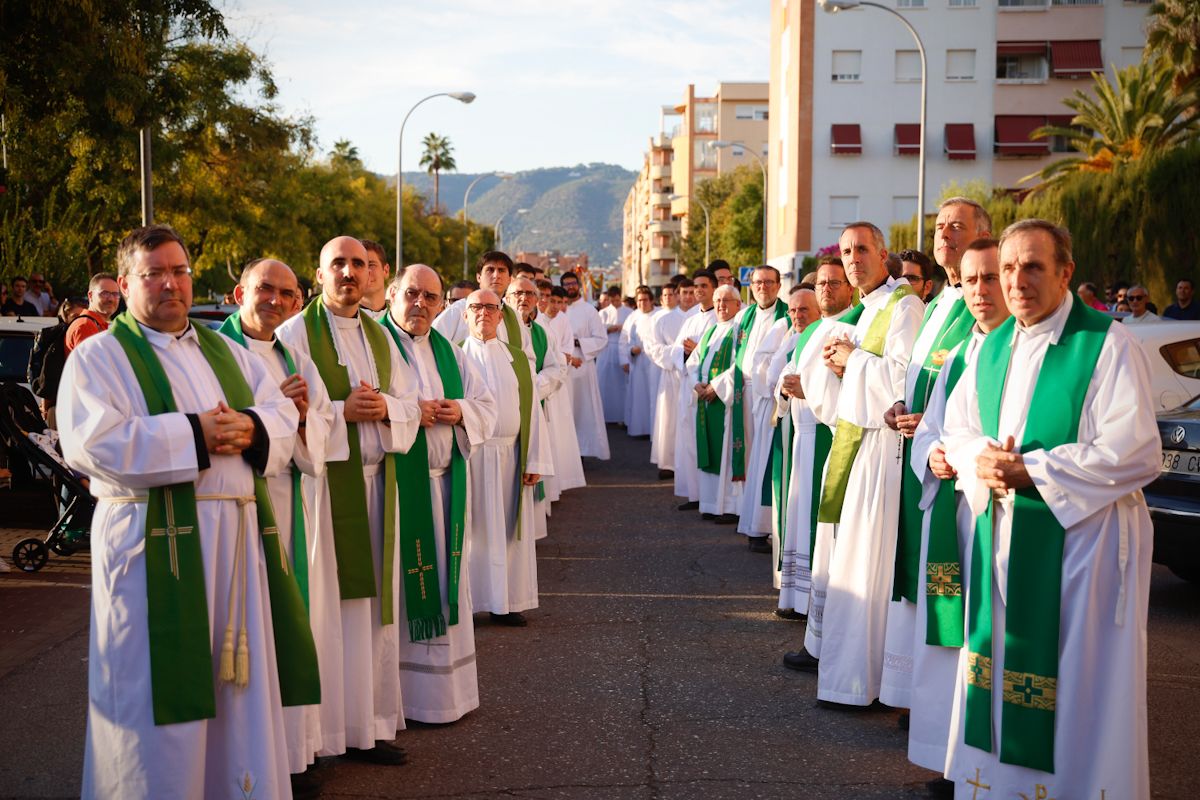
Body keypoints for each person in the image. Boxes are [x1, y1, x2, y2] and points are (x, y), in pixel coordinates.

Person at [58, 224, 312, 799]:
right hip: (152, 550)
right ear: (125, 283)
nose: (171, 284)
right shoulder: (100, 357)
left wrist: (252, 427)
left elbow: (280, 411)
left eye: (180, 271)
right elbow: (91, 443)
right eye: (154, 274)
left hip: (235, 548)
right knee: (149, 691)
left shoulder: (226, 351)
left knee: (234, 692)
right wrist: (196, 434)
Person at [940, 219, 1159, 799]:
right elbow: (956, 429)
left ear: (1066, 273)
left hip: (1083, 552)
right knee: (1000, 661)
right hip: (1000, 539)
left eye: (1033, 266)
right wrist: (980, 459)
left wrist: (1032, 471)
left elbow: (1135, 449)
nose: (1017, 281)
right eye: (1009, 267)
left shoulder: (1106, 344)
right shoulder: (989, 349)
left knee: (1079, 684)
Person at [276, 235, 420, 765]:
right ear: (319, 275)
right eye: (338, 263)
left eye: (359, 263)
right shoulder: (293, 334)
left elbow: (409, 403)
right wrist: (343, 411)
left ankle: (370, 727)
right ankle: (319, 737)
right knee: (325, 617)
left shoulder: (382, 337)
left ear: (372, 273)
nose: (349, 272)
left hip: (378, 488)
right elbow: (283, 411)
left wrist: (385, 408)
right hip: (322, 494)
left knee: (374, 616)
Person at [219, 257, 338, 794]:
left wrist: (305, 412)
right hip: (231, 508)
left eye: (287, 294)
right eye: (264, 288)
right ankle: (241, 760)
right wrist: (272, 413)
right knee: (240, 627)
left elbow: (323, 433)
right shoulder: (212, 351)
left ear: (296, 303)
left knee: (285, 624)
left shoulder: (298, 360)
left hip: (286, 504)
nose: (275, 300)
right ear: (239, 292)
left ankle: (290, 754)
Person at [896, 238, 1009, 792]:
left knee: (988, 647)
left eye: (991, 278)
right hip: (953, 513)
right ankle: (951, 759)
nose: (979, 291)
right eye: (970, 281)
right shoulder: (962, 353)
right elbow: (934, 425)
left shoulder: (1020, 351)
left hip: (1000, 522)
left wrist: (956, 454)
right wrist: (933, 452)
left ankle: (983, 768)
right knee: (953, 647)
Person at [799, 221, 923, 704]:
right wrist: (835, 368)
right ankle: (846, 676)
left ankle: (863, 681)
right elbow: (840, 388)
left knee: (866, 564)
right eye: (847, 251)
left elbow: (902, 381)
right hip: (854, 443)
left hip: (881, 449)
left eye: (862, 250)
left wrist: (853, 362)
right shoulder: (865, 309)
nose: (853, 259)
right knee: (850, 562)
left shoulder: (904, 305)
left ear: (883, 253)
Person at [881, 197, 991, 714]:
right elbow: (921, 375)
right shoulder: (940, 303)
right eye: (940, 226)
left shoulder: (981, 306)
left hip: (955, 469)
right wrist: (900, 404)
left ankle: (945, 706)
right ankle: (915, 696)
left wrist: (934, 425)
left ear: (983, 236)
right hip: (922, 456)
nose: (944, 234)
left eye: (957, 226)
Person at [379, 264, 497, 723]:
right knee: (397, 595)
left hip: (445, 488)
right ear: (392, 293)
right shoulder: (375, 344)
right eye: (412, 293)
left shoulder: (450, 351)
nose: (420, 304)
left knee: (445, 590)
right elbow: (363, 398)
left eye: (431, 297)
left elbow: (487, 407)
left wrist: (459, 410)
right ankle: (398, 701)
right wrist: (412, 411)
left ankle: (443, 698)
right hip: (395, 495)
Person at [459, 289, 553, 627]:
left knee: (510, 532)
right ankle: (469, 603)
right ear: (465, 315)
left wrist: (534, 460)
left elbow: (532, 411)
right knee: (472, 532)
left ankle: (508, 602)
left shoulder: (518, 359)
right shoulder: (454, 357)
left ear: (501, 315)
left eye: (490, 307)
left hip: (511, 457)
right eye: (476, 307)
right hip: (470, 455)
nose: (483, 313)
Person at [774, 261, 855, 633]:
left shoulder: (853, 326)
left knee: (819, 522)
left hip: (827, 434)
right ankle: (796, 596)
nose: (826, 288)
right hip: (803, 434)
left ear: (849, 289)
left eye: (834, 283)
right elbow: (789, 368)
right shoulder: (811, 332)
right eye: (822, 282)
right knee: (799, 514)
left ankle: (814, 603)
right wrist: (786, 385)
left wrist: (807, 391)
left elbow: (851, 387)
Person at [733, 266, 791, 547]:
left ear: (778, 286)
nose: (762, 287)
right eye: (757, 282)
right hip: (743, 392)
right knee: (748, 456)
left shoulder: (788, 316)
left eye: (769, 282)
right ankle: (743, 512)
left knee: (762, 459)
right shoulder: (743, 316)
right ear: (750, 285)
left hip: (768, 397)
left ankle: (759, 523)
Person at [521, 278, 586, 500]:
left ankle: (551, 490)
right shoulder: (513, 325)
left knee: (551, 439)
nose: (548, 302)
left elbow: (560, 358)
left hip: (546, 390)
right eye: (544, 297)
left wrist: (539, 385)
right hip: (523, 395)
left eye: (550, 297)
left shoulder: (544, 329)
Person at [688, 285, 746, 523]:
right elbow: (693, 362)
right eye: (718, 301)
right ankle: (710, 503)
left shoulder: (740, 331)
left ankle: (729, 507)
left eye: (726, 300)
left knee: (726, 452)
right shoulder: (711, 331)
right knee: (709, 449)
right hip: (705, 399)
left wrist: (716, 387)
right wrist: (696, 383)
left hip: (726, 403)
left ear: (738, 304)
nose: (721, 305)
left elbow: (742, 364)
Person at [668, 269, 718, 509]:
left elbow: (723, 351)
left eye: (704, 286)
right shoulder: (690, 319)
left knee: (708, 441)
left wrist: (699, 349)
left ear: (714, 288)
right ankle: (694, 494)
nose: (698, 290)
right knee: (688, 442)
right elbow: (674, 351)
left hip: (709, 389)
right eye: (696, 286)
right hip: (688, 388)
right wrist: (686, 352)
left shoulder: (721, 318)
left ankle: (710, 498)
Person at [435, 251, 533, 361]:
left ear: (510, 279)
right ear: (478, 277)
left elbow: (528, 358)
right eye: (490, 270)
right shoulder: (458, 309)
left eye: (501, 270)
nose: (496, 275)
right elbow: (434, 344)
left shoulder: (514, 316)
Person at [560, 271, 610, 460]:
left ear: (579, 285)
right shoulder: (557, 308)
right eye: (566, 284)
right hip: (560, 367)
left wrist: (577, 342)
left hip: (582, 367)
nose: (570, 287)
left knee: (582, 411)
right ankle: (565, 450)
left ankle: (582, 450)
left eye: (573, 283)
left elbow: (601, 339)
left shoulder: (589, 310)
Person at [648, 282, 687, 480]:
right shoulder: (663, 319)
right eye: (685, 292)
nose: (689, 296)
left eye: (692, 292)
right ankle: (669, 463)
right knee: (670, 419)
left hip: (695, 376)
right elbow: (653, 347)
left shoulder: (701, 317)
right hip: (671, 374)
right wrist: (680, 353)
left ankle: (690, 462)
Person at [619, 286, 660, 438]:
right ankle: (640, 429)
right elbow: (623, 341)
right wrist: (628, 354)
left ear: (652, 300)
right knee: (640, 397)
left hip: (656, 363)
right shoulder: (633, 317)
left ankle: (655, 431)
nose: (642, 303)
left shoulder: (660, 315)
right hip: (638, 363)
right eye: (639, 300)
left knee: (656, 397)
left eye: (645, 300)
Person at [598, 284, 631, 424]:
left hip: (622, 348)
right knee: (604, 382)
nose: (615, 303)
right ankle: (605, 415)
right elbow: (598, 330)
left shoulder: (629, 312)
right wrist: (608, 329)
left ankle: (622, 416)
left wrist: (624, 328)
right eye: (612, 301)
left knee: (621, 384)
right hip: (606, 349)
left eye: (617, 300)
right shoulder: (603, 313)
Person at [359, 240, 391, 319]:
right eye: (359, 265)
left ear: (386, 270)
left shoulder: (400, 317)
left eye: (371, 265)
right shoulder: (340, 318)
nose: (366, 272)